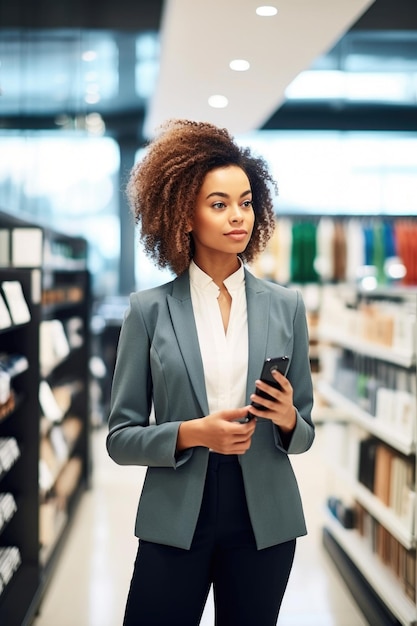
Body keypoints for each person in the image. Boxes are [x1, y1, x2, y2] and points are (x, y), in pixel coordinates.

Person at [106, 119, 314, 626]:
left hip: (264, 518)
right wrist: (194, 433)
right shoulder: (149, 311)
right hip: (177, 513)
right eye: (218, 204)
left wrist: (287, 417)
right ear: (184, 215)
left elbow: (305, 433)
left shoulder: (286, 306)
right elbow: (120, 438)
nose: (237, 216)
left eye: (245, 202)